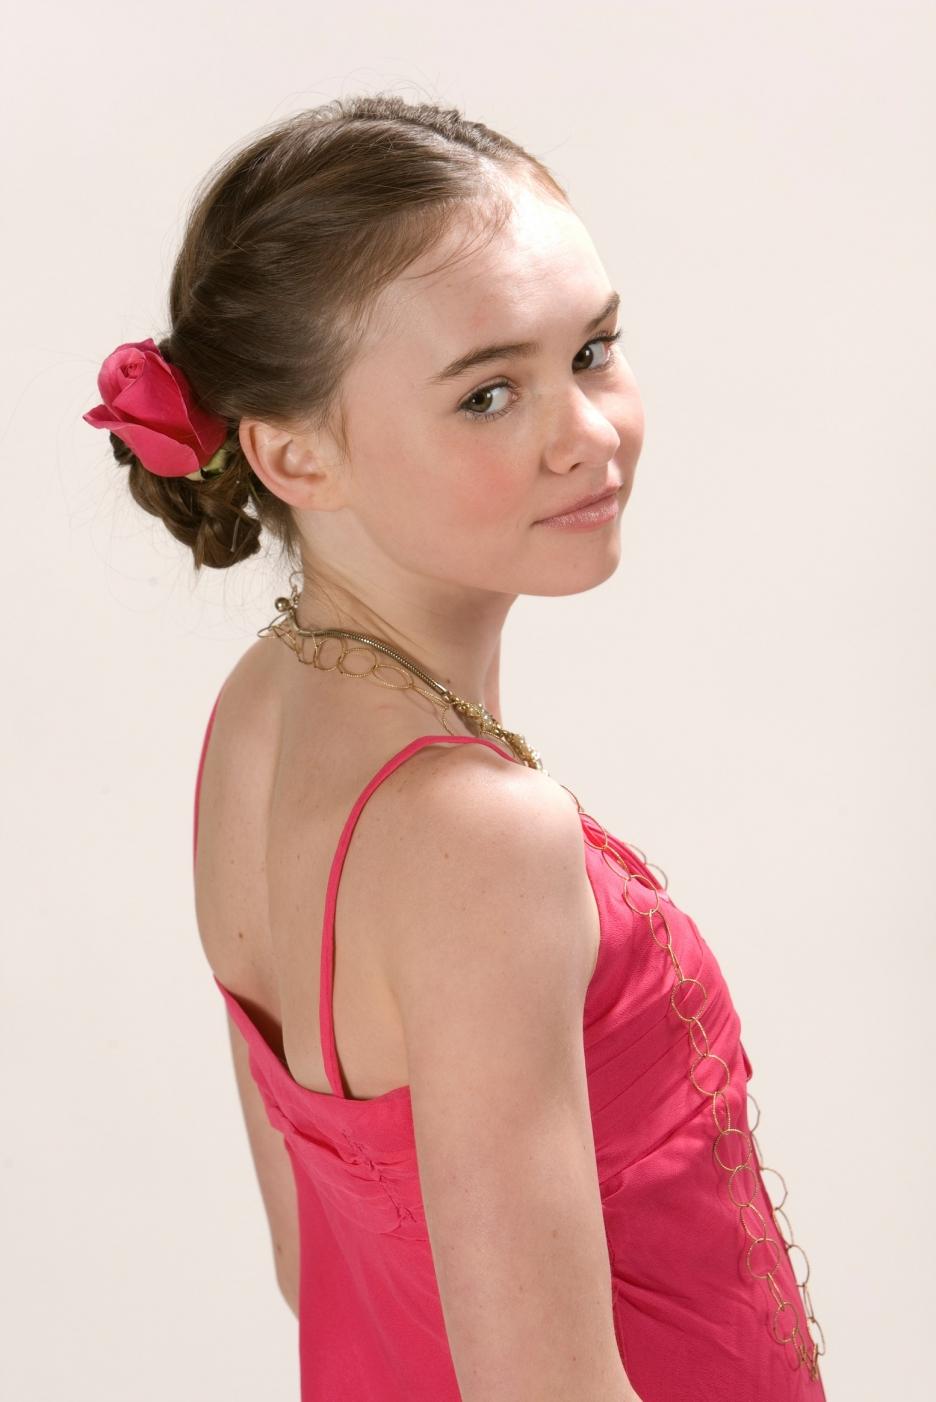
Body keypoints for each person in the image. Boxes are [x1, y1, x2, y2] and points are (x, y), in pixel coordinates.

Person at [83, 94, 826, 1402]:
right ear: (293, 454)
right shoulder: (480, 832)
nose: (586, 431)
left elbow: (319, 1267)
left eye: (593, 350)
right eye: (489, 393)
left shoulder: (259, 714)